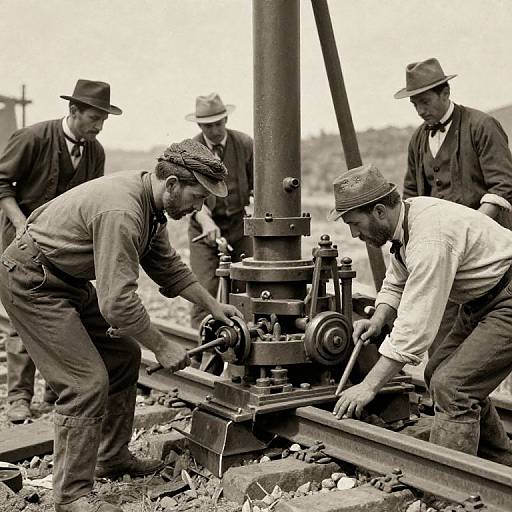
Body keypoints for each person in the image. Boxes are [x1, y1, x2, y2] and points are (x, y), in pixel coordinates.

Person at [0, 139, 242, 512]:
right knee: (84, 383)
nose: (200, 207)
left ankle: (110, 456)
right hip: (33, 281)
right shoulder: (123, 212)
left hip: (65, 281)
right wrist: (161, 345)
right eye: (198, 196)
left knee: (123, 355)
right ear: (173, 184)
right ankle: (71, 497)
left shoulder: (151, 205)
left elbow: (168, 267)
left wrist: (214, 306)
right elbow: (117, 304)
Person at [329, 163, 512, 463]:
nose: (354, 233)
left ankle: (450, 485)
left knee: (452, 386)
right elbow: (398, 277)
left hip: (505, 299)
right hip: (483, 299)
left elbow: (414, 329)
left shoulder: (429, 239)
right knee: (436, 372)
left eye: (355, 223)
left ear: (378, 212)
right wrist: (378, 318)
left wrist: (368, 386)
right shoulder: (407, 219)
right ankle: (501, 462)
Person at [0, 79, 122, 423]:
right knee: (21, 320)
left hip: (64, 250)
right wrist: (21, 222)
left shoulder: (94, 151)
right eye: (93, 119)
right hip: (20, 244)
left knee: (65, 311)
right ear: (73, 110)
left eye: (103, 121)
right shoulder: (32, 138)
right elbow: (1, 183)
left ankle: (56, 392)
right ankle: (18, 398)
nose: (98, 127)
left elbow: (90, 200)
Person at [395, 57, 512, 354]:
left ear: (445, 93)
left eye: (425, 102)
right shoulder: (418, 139)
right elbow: (410, 195)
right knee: (442, 344)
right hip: (440, 253)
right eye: (415, 105)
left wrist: (469, 230)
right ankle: (444, 394)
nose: (421, 111)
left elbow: (503, 185)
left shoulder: (482, 126)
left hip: (484, 258)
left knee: (480, 348)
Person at [185, 92, 253, 329]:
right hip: (204, 227)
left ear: (226, 120)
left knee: (247, 288)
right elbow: (189, 197)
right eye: (206, 125)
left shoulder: (245, 145)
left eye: (217, 124)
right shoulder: (192, 151)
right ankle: (201, 357)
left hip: (240, 226)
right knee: (203, 291)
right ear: (199, 124)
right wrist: (206, 221)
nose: (213, 130)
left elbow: (259, 188)